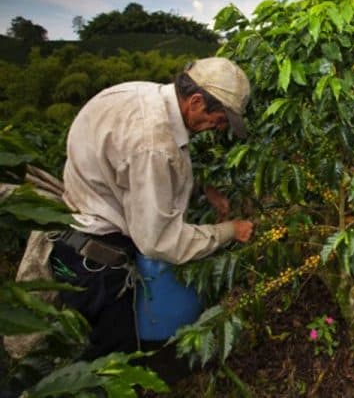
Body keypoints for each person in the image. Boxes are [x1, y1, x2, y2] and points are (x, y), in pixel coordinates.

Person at [45, 57, 255, 360]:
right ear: (196, 101)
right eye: (219, 119)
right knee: (111, 363)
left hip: (73, 238)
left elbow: (126, 172)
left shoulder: (143, 96)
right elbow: (159, 242)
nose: (217, 129)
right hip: (96, 265)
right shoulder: (153, 144)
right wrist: (228, 231)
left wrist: (200, 190)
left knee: (84, 348)